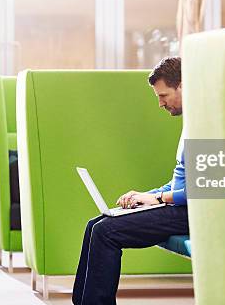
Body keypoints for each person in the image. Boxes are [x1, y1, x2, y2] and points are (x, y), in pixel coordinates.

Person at [72, 56, 189, 305]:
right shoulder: (190, 124)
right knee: (96, 224)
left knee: (106, 232)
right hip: (179, 206)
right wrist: (145, 195)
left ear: (182, 85)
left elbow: (202, 189)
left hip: (193, 212)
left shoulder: (207, 124)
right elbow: (179, 183)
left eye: (164, 95)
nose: (160, 103)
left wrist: (157, 198)